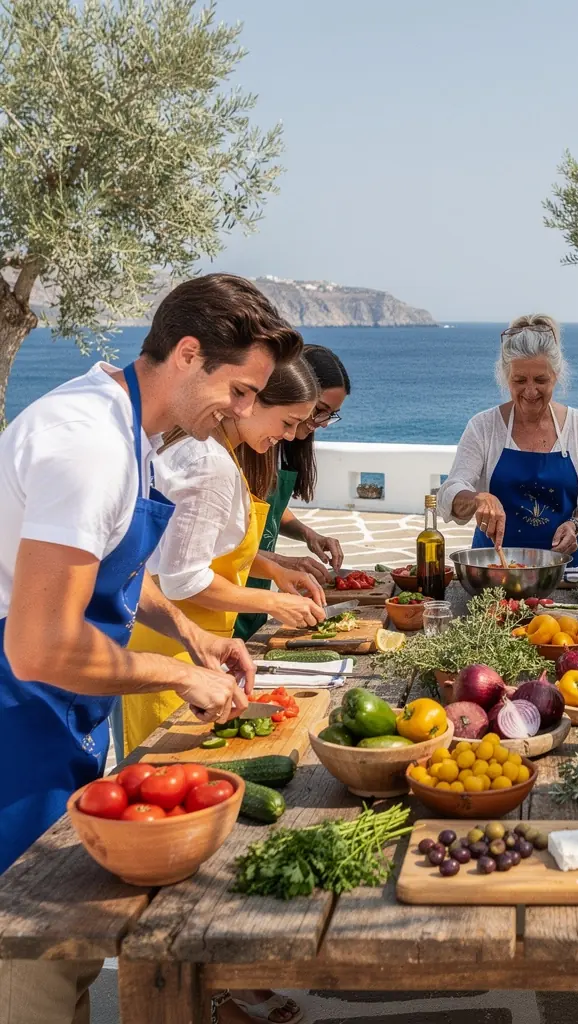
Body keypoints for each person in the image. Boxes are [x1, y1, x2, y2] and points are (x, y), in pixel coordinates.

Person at [0, 273, 303, 1024]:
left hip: (59, 717)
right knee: (29, 962)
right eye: (237, 391)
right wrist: (170, 674)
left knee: (65, 955)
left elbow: (117, 573)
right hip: (15, 717)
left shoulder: (130, 431)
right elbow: (39, 645)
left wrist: (189, 633)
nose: (240, 413)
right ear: (188, 352)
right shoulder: (89, 444)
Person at [122, 356, 327, 755]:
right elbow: (183, 578)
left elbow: (197, 550)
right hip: (176, 651)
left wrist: (272, 569)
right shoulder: (210, 465)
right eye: (286, 423)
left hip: (187, 643)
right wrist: (273, 602)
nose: (289, 437)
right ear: (251, 401)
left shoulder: (215, 451)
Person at [436, 315, 578, 565]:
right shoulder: (484, 427)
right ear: (506, 378)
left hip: (566, 570)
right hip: (496, 570)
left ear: (557, 376)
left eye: (541, 380)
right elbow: (449, 493)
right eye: (519, 381)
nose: (530, 391)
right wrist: (478, 499)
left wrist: (575, 525)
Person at [234, 345, 351, 642]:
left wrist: (307, 534)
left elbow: (269, 508)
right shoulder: (247, 446)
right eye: (320, 410)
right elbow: (217, 549)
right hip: (230, 595)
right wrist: (283, 564)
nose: (320, 423)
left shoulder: (277, 443)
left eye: (331, 415)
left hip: (254, 596)